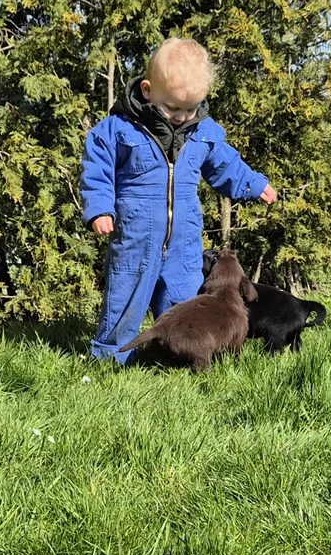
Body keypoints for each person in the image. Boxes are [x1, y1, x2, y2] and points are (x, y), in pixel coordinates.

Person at [80, 37, 276, 363]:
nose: (182, 117)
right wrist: (99, 207)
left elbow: (225, 165)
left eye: (190, 109)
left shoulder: (203, 132)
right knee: (124, 299)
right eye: (172, 107)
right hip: (135, 237)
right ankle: (111, 359)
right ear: (147, 90)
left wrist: (252, 184)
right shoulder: (118, 130)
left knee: (184, 302)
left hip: (184, 240)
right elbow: (97, 168)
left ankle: (174, 358)